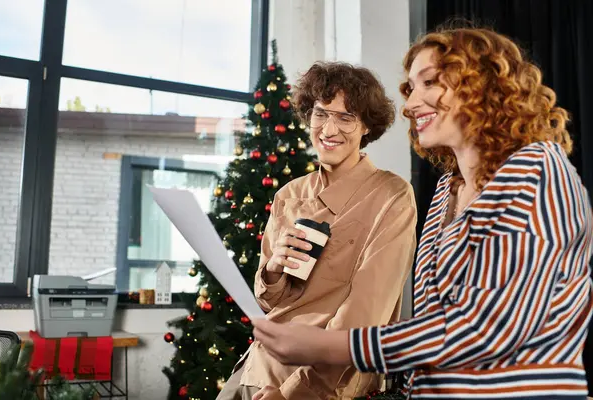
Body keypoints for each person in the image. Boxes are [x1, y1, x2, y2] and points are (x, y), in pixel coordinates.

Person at [252, 26, 593, 399]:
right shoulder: (448, 189)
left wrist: (327, 348)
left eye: (429, 82)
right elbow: (434, 321)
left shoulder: (538, 169)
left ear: (482, 85)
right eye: (411, 88)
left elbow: (490, 328)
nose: (411, 104)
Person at [217, 62, 418, 400]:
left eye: (346, 117)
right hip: (256, 366)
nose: (329, 129)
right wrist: (273, 269)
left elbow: (364, 318)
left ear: (367, 126)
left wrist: (298, 393)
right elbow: (269, 302)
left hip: (319, 385)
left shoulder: (391, 195)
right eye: (321, 114)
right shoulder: (289, 194)